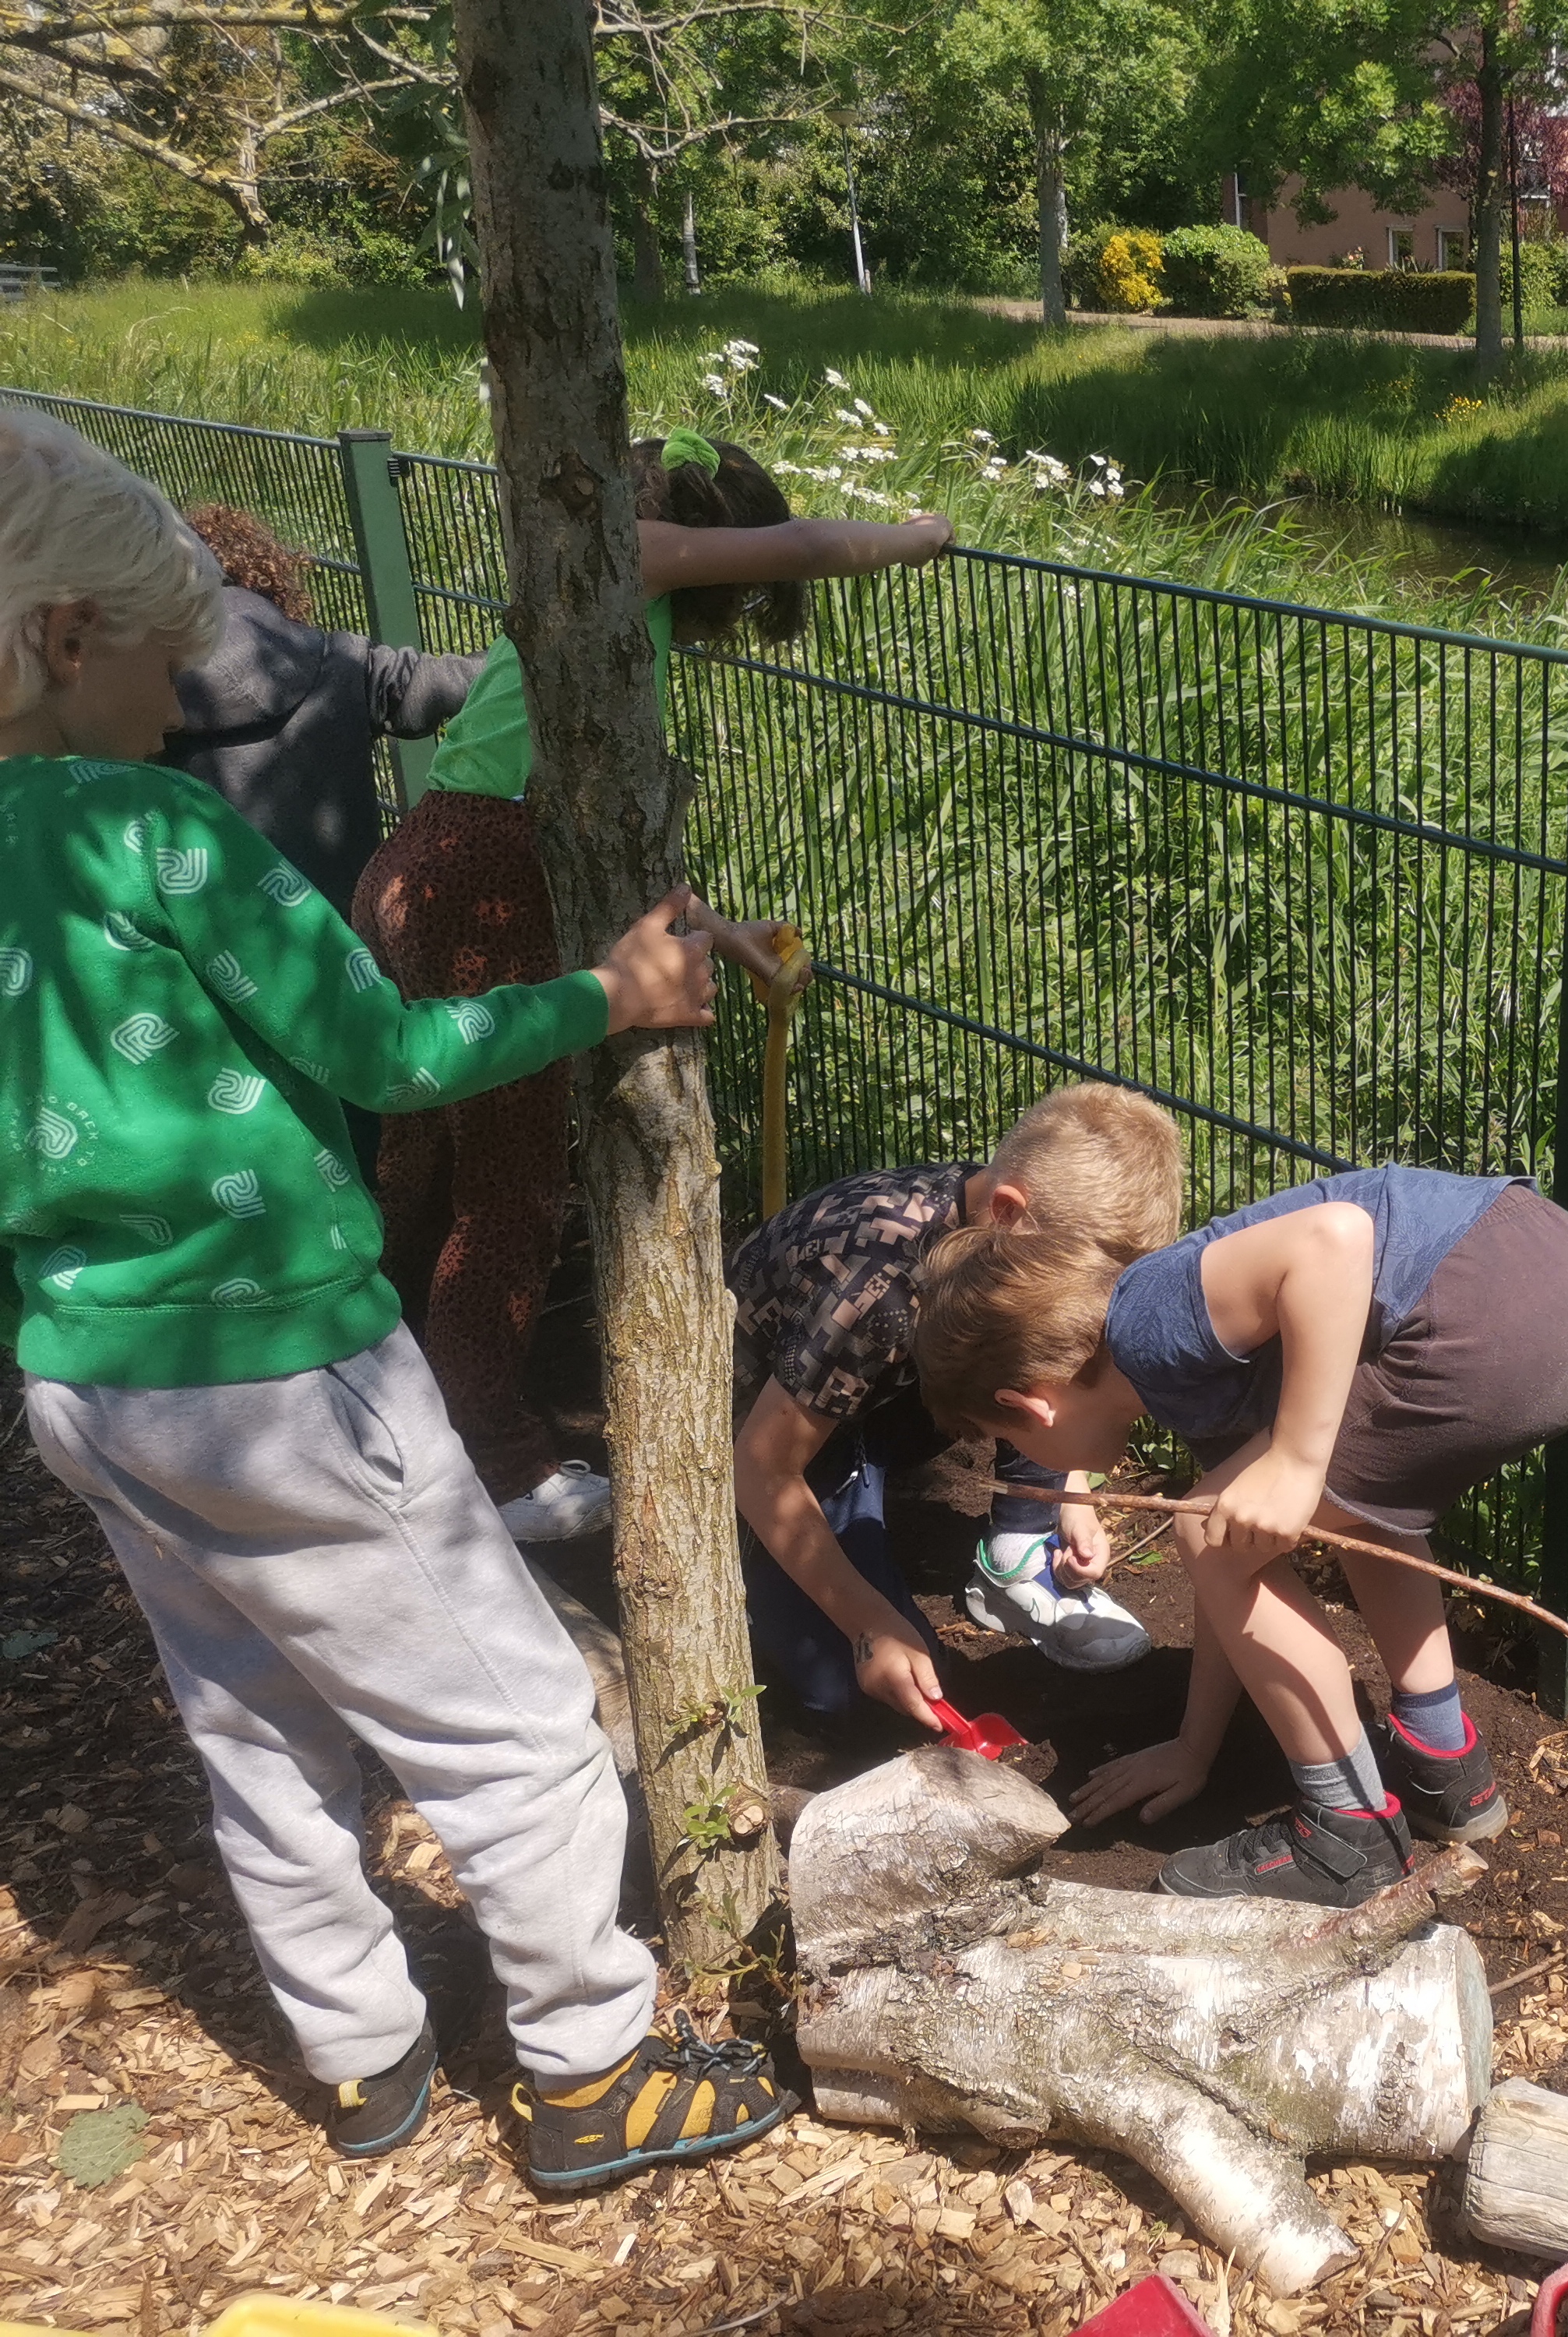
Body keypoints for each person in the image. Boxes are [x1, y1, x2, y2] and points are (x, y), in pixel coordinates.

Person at [0, 404, 791, 2189]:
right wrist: (612, 993)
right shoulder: (148, 831)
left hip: (88, 1381)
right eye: (165, 654)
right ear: (63, 640)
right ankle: (593, 2068)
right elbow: (386, 1045)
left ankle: (362, 2057)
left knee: (254, 1726)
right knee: (520, 1731)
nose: (194, 692)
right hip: (280, 1369)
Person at [351, 432, 951, 1544]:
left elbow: (594, 835)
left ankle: (370, 1406)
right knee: (510, 1191)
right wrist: (916, 541)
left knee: (424, 1162)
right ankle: (495, 1466)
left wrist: (720, 936)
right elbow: (810, 542)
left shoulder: (600, 627)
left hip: (427, 866)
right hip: (487, 887)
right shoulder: (620, 560)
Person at [913, 1161, 1568, 1905]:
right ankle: (1441, 1760)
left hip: (1493, 1317)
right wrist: (1196, 1747)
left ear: (1030, 1407)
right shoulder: (1161, 1354)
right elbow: (1234, 1577)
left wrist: (1298, 1456)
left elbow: (1335, 1238)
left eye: (994, 1433)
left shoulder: (1146, 1321)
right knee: (1303, 1514)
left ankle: (1346, 1834)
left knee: (1217, 1530)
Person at [729, 1083, 1175, 1726]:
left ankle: (1018, 1548)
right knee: (852, 1688)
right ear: (1008, 1211)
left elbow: (1059, 1358)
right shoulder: (877, 1290)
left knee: (1048, 1348)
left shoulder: (1000, 1226)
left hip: (877, 1389)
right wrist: (868, 1624)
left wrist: (1070, 1488)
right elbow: (762, 1466)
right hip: (777, 1424)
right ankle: (747, 1560)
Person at [164, 504, 484, 916]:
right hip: (347, 942)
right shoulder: (340, 662)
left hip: (219, 949)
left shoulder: (136, 708)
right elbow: (446, 681)